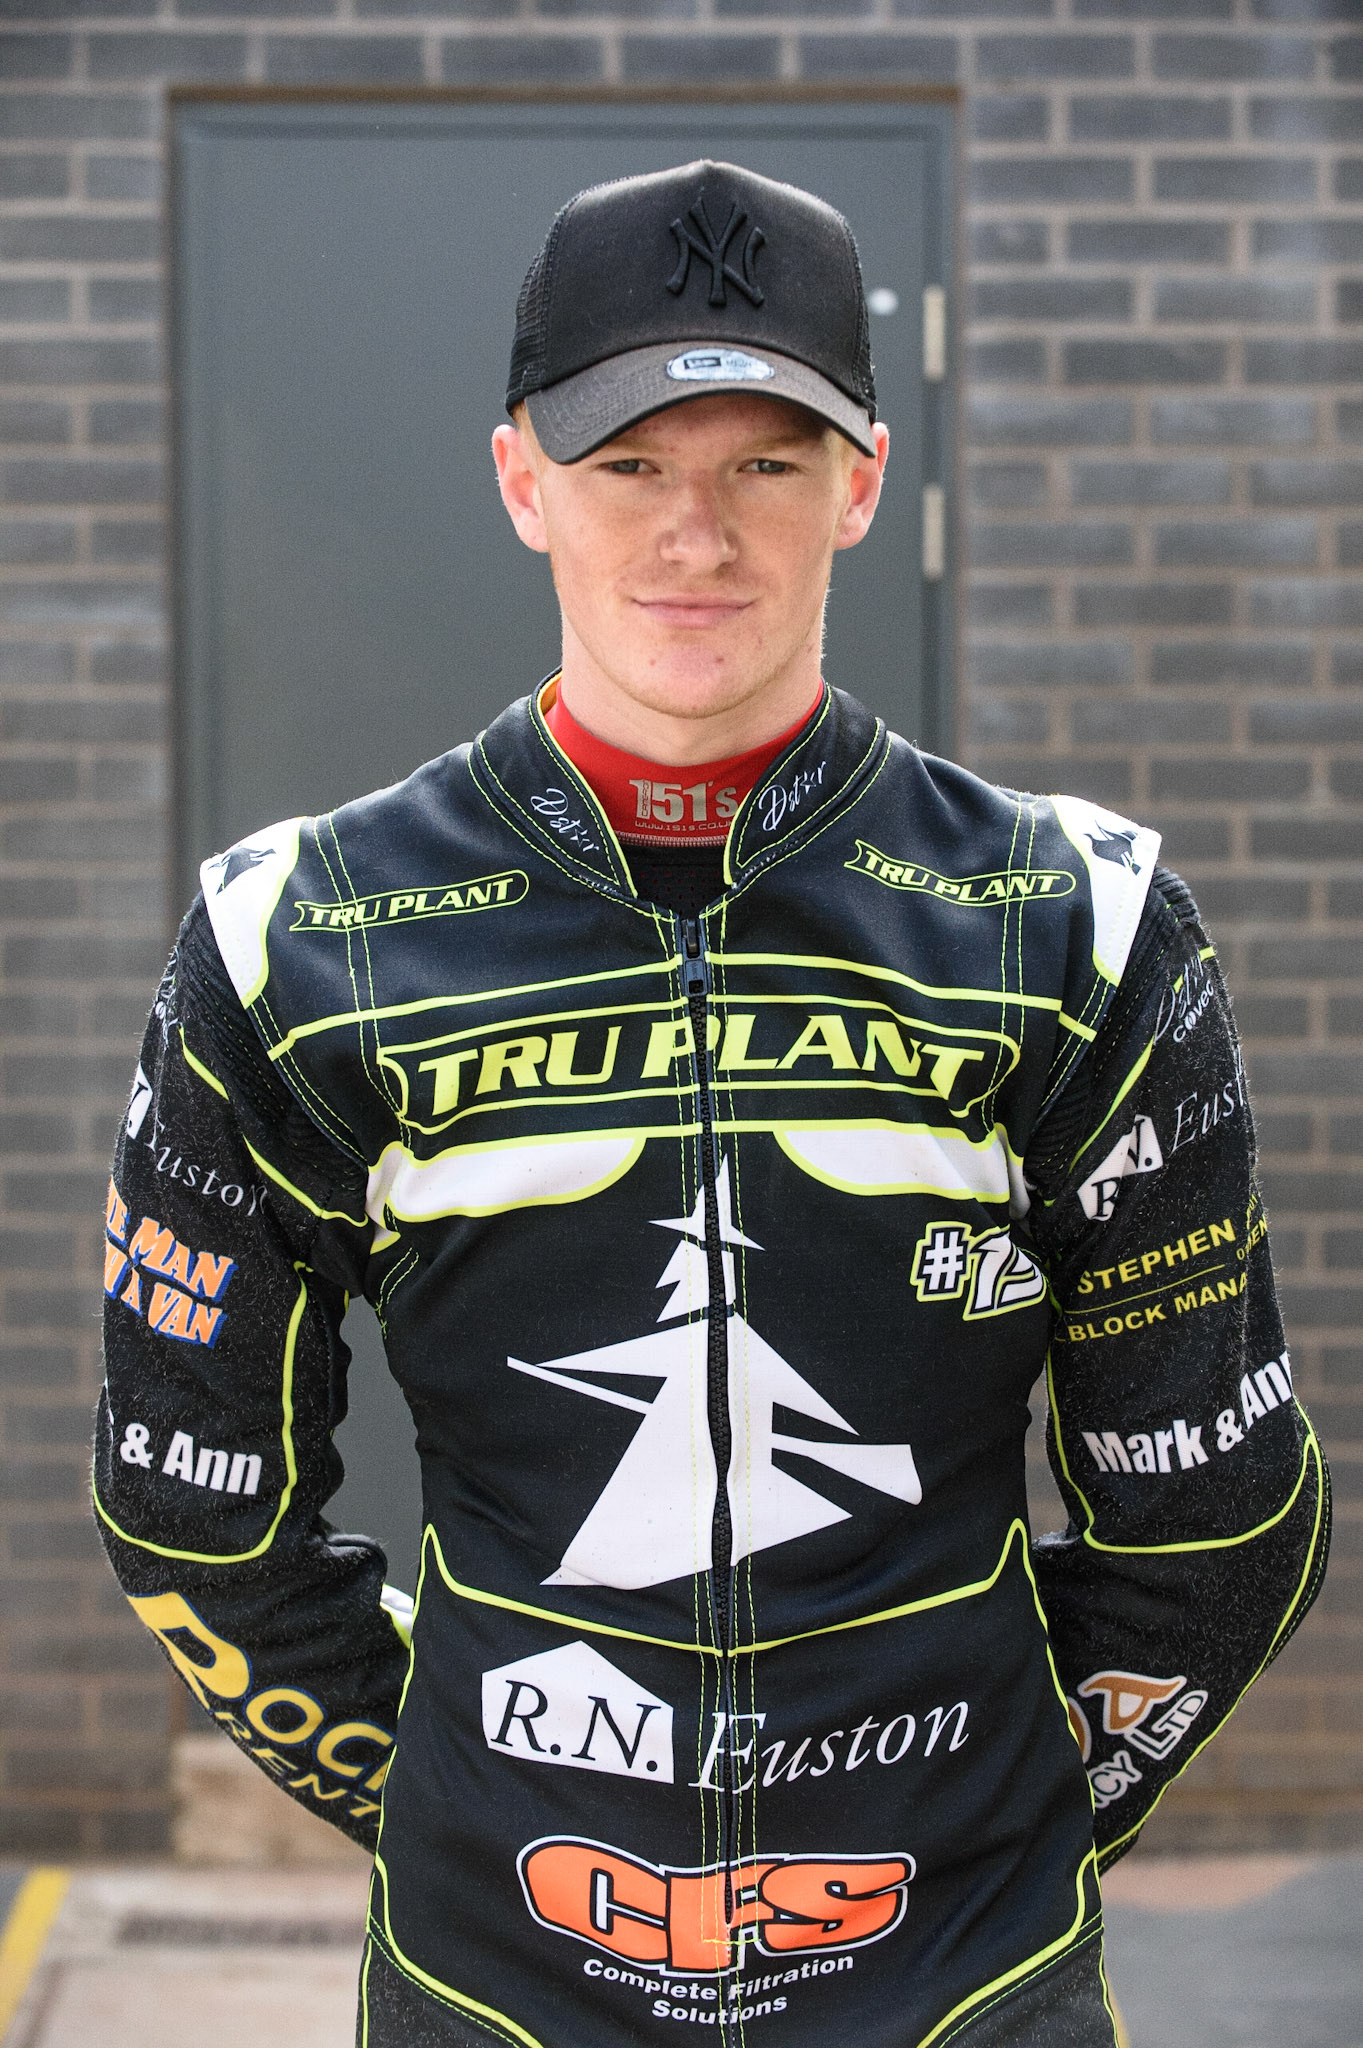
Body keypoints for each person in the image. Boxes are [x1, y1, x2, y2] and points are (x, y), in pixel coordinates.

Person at [94, 161, 1328, 2048]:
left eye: (765, 462)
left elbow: (1222, 1519)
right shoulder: (298, 935)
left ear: (864, 482)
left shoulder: (1074, 922)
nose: (697, 535)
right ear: (520, 480)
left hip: (967, 1993)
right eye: (628, 464)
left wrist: (993, 1825)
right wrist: (458, 1804)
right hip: (492, 1991)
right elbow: (192, 1514)